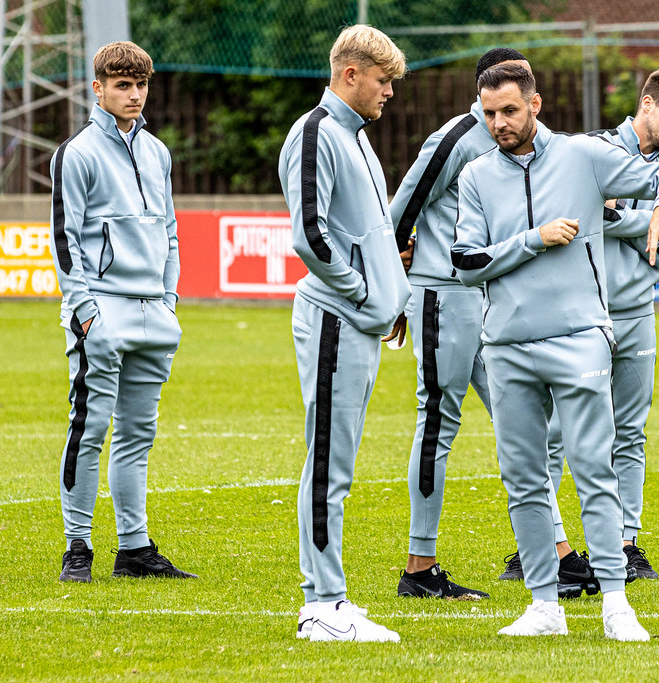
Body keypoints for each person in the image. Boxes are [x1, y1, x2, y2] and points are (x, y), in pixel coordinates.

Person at [452, 63, 659, 641]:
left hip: (580, 336)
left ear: (534, 104)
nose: (498, 123)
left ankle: (615, 604)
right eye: (488, 114)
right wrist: (535, 239)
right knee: (525, 479)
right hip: (506, 346)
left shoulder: (582, 155)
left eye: (509, 110)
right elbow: (465, 262)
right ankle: (544, 606)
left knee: (593, 468)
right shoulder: (477, 174)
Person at [499, 69, 659, 584]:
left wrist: (629, 217)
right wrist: (641, 221)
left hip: (637, 316)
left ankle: (626, 544)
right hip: (581, 317)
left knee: (629, 435)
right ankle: (542, 543)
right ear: (648, 103)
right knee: (551, 437)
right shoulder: (586, 151)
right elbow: (574, 219)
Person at [278, 25, 409, 643]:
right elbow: (310, 235)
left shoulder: (355, 137)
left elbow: (366, 234)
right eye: (383, 82)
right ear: (349, 73)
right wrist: (362, 293)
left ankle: (331, 599)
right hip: (335, 319)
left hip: (359, 321)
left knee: (340, 460)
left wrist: (389, 297)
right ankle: (322, 605)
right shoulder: (315, 133)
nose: (389, 94)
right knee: (329, 460)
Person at [386, 48, 531, 603]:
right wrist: (401, 294)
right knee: (438, 423)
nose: (502, 118)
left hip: (490, 302)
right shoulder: (453, 139)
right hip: (444, 298)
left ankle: (547, 553)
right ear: (481, 94)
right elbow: (400, 214)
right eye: (493, 105)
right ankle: (419, 567)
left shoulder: (520, 145)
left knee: (526, 420)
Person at [50, 41, 195, 583]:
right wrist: (85, 311)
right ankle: (77, 547)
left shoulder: (158, 152)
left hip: (154, 315)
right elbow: (65, 241)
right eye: (122, 86)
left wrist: (169, 301)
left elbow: (171, 232)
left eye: (140, 85)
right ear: (98, 89)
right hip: (102, 313)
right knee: (88, 430)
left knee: (138, 435)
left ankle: (134, 549)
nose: (134, 95)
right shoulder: (77, 153)